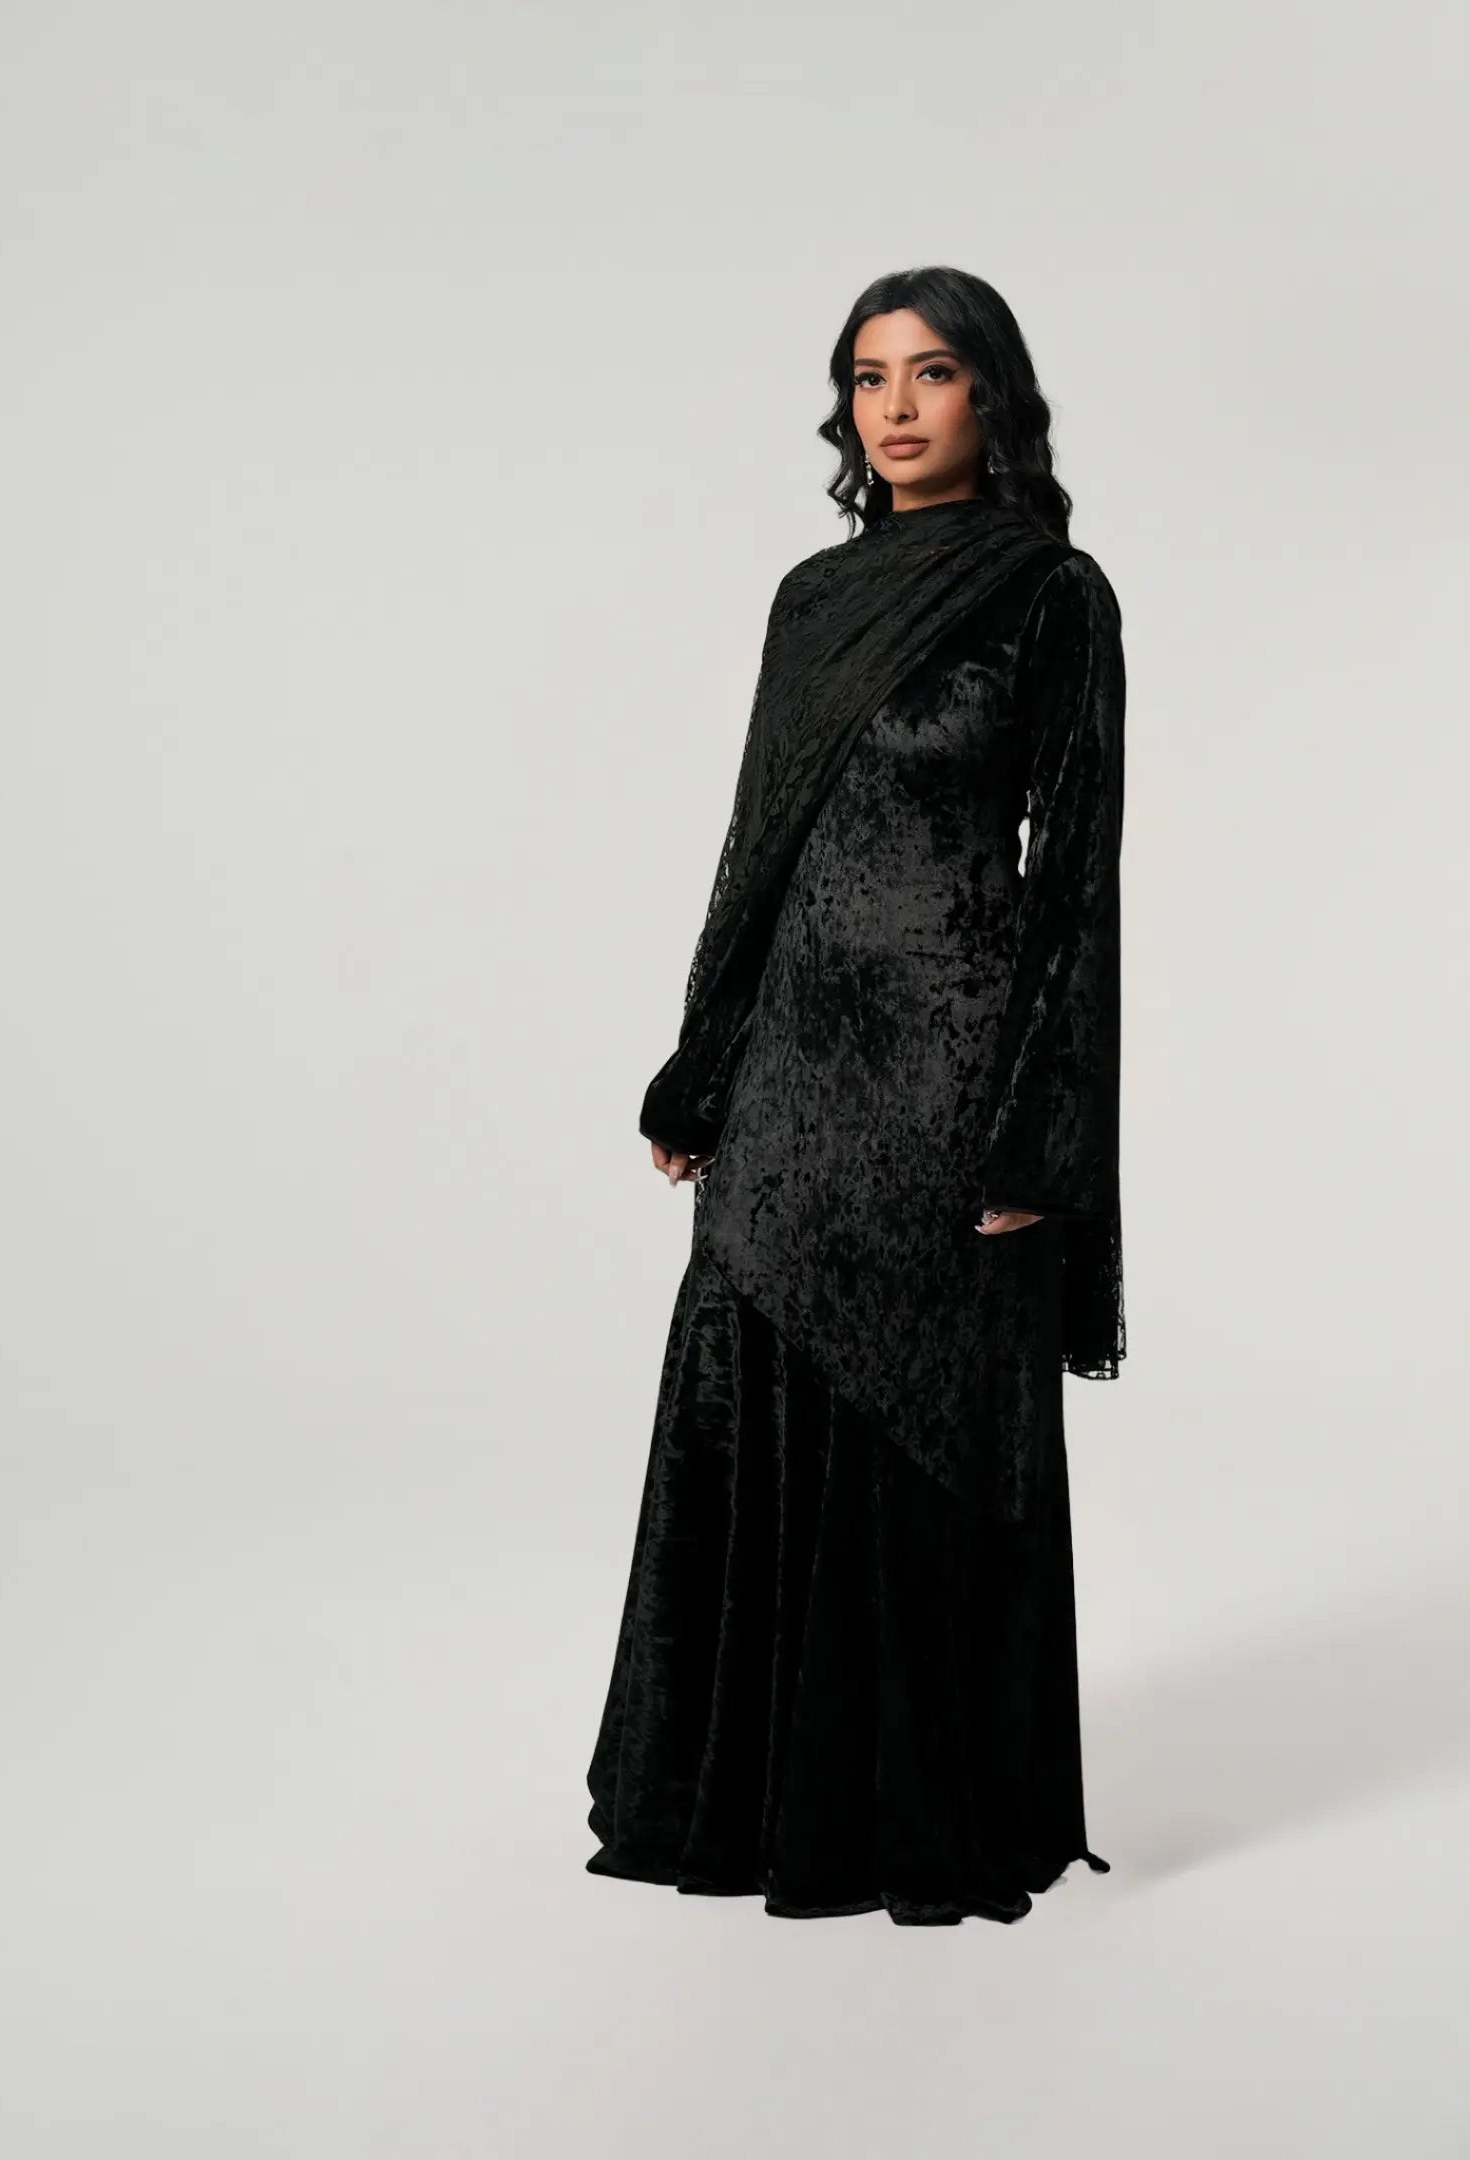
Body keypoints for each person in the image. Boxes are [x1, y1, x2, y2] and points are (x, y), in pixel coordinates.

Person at [584, 264, 1126, 1926]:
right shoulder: (810, 600)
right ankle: (744, 1800)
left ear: (993, 397)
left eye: (933, 373)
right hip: (795, 1078)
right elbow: (758, 846)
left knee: (929, 1419)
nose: (896, 407)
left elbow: (1074, 884)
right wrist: (702, 1062)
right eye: (870, 377)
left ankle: (910, 1814)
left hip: (952, 1077)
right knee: (743, 1387)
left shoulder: (1052, 595)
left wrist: (1042, 1133)